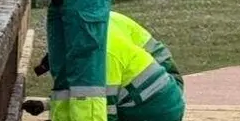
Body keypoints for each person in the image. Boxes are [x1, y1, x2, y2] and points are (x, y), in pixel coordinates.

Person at [23, 22, 191, 121]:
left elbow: (103, 110)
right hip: (158, 98)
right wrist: (46, 104)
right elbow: (86, 95)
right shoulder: (95, 34)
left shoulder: (104, 59)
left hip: (156, 119)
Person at [32, 10, 182, 88]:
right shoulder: (89, 26)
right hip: (159, 78)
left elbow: (101, 96)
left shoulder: (98, 45)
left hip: (165, 82)